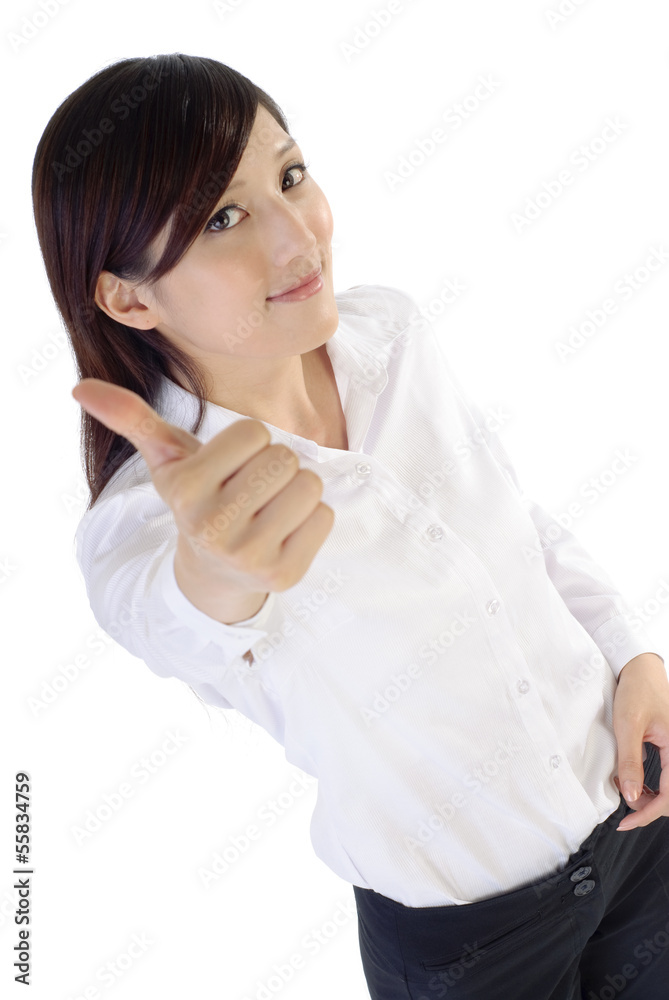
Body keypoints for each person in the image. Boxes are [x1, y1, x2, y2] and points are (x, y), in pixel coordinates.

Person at [32, 52, 669, 999]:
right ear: (128, 296)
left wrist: (633, 657)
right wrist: (218, 572)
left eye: (290, 176)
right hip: (474, 946)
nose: (301, 236)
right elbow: (175, 614)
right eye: (221, 218)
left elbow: (513, 524)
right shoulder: (149, 524)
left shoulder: (392, 334)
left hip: (636, 817)